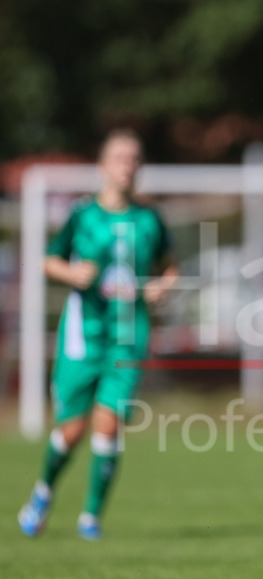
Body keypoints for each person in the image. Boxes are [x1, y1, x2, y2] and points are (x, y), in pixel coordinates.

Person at [18, 129, 178, 541]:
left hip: (128, 337)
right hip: (83, 336)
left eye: (135, 158)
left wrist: (164, 285)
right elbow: (48, 261)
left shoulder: (150, 219)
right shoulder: (82, 215)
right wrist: (71, 272)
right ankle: (43, 492)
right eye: (120, 158)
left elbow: (170, 265)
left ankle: (91, 517)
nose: (128, 166)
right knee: (71, 431)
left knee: (108, 425)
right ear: (103, 166)